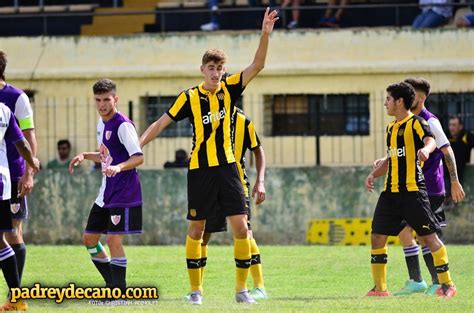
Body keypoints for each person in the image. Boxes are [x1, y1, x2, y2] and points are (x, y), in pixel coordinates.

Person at [139, 8, 278, 305]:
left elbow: (258, 64)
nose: (216, 73)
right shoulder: (189, 97)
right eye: (211, 68)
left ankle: (242, 291)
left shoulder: (230, 89)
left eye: (220, 69)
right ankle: (196, 292)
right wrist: (138, 146)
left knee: (241, 227)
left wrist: (264, 34)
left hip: (228, 168)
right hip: (200, 171)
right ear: (202, 69)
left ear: (224, 71)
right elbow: (160, 123)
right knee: (197, 229)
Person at [373, 78, 465, 296]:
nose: (409, 96)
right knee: (404, 231)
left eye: (412, 93)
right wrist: (379, 167)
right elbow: (398, 153)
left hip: (428, 187)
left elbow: (445, 149)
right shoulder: (395, 126)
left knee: (426, 234)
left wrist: (454, 181)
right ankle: (416, 280)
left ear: (419, 98)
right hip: (399, 188)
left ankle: (440, 283)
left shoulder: (427, 122)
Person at [69, 79, 144, 292]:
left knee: (113, 239)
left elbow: (138, 157)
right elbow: (106, 156)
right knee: (90, 238)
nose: (102, 104)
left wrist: (119, 167)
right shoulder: (101, 123)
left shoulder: (123, 125)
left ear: (116, 99)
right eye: (98, 100)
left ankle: (119, 291)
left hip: (124, 191)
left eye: (106, 100)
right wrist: (84, 155)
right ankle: (112, 285)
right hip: (106, 192)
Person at [199, 108, 267, 301]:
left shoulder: (243, 121)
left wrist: (260, 180)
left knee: (245, 232)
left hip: (236, 186)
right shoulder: (204, 116)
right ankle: (197, 290)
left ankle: (258, 287)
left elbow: (258, 150)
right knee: (203, 234)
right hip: (209, 185)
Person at [0, 51, 38, 295]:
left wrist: (28, 173)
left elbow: (28, 136)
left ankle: (17, 291)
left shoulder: (16, 98)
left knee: (13, 232)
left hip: (13, 174)